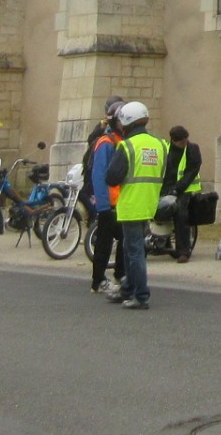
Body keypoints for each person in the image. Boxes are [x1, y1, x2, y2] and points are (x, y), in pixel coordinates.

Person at [102, 100, 168, 310]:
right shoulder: (160, 144)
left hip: (131, 205)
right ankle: (128, 288)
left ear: (126, 122)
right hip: (149, 203)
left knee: (134, 252)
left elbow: (112, 177)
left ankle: (140, 295)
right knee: (134, 249)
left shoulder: (127, 146)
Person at [85, 96, 127, 295]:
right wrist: (103, 205)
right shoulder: (106, 142)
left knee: (125, 239)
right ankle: (99, 280)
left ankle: (121, 274)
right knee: (104, 242)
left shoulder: (123, 141)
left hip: (122, 202)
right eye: (121, 121)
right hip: (109, 203)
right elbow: (99, 175)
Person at [162, 125, 203, 263]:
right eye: (182, 141)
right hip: (166, 187)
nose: (185, 143)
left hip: (185, 189)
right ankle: (162, 242)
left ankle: (184, 251)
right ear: (174, 141)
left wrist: (177, 189)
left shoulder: (192, 149)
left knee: (180, 214)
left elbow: (191, 171)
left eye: (186, 139)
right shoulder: (166, 148)